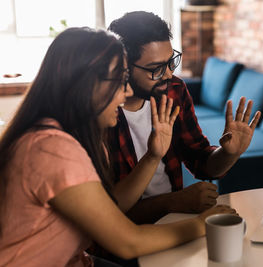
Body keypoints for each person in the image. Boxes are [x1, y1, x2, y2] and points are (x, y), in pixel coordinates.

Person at [0, 27, 235, 267]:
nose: (128, 92)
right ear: (87, 85)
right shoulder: (51, 149)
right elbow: (127, 241)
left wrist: (154, 156)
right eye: (120, 81)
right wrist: (201, 223)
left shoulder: (62, 134)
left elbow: (112, 205)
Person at [107, 11, 261, 224]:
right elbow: (108, 212)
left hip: (174, 221)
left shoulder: (174, 90)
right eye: (156, 69)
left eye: (171, 62)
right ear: (122, 66)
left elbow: (200, 161)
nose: (169, 75)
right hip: (123, 235)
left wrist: (229, 154)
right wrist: (172, 201)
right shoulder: (100, 113)